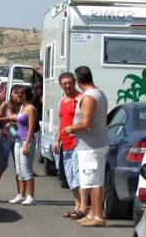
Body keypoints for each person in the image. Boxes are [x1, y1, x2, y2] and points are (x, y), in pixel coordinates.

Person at [62, 66, 109, 227]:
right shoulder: (98, 93)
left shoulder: (89, 97)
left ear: (78, 81)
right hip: (93, 144)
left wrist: (70, 128)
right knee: (91, 181)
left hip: (91, 146)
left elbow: (85, 123)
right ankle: (92, 213)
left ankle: (98, 217)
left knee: (94, 182)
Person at [54, 72, 86, 219]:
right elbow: (61, 122)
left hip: (78, 143)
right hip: (65, 144)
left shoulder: (80, 99)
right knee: (70, 177)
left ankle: (82, 208)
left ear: (75, 82)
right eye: (64, 83)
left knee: (78, 176)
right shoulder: (62, 101)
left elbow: (85, 121)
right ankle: (76, 205)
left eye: (70, 82)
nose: (67, 86)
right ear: (61, 85)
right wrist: (57, 140)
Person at [0, 85, 21, 202]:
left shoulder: (23, 105)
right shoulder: (6, 104)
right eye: (14, 92)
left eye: (18, 92)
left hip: (19, 138)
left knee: (19, 167)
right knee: (3, 165)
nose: (16, 95)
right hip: (6, 137)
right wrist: (10, 119)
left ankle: (20, 193)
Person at [9, 85, 37, 205]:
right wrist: (11, 122)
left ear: (24, 95)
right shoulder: (22, 107)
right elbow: (20, 122)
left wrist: (26, 144)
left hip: (27, 141)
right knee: (19, 170)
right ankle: (21, 194)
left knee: (26, 169)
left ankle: (31, 196)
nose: (17, 97)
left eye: (19, 94)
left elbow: (31, 127)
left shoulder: (30, 108)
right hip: (18, 140)